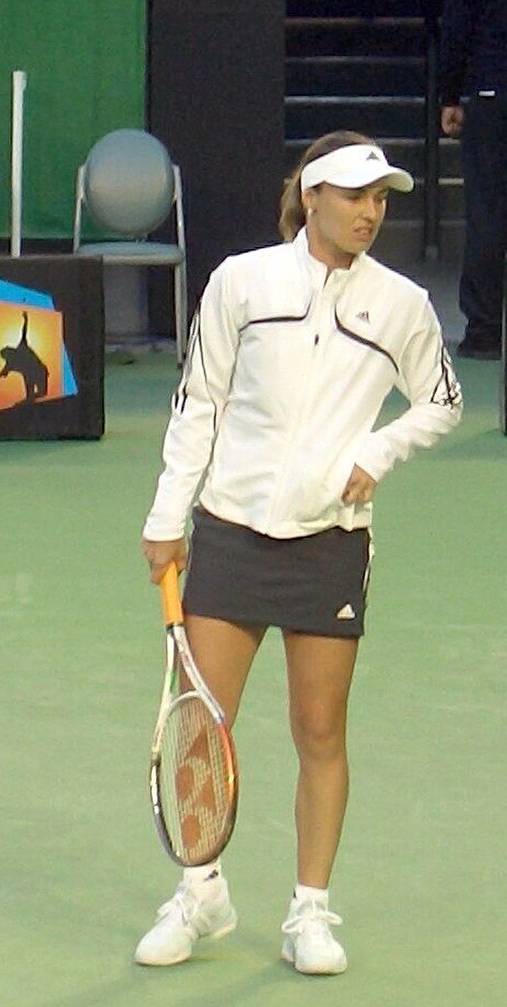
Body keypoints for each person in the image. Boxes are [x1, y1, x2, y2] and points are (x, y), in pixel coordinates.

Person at [136, 130, 462, 974]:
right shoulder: (241, 282)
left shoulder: (402, 306)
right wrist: (168, 513)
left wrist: (376, 452)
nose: (371, 212)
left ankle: (309, 912)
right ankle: (201, 892)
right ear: (310, 195)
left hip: (328, 545)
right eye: (355, 195)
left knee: (321, 731)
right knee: (203, 730)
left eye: (382, 197)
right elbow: (197, 404)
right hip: (232, 531)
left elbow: (442, 400)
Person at [439, 0, 507, 360]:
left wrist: (449, 95)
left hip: (491, 91)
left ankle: (484, 333)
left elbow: (456, 29)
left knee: (487, 215)